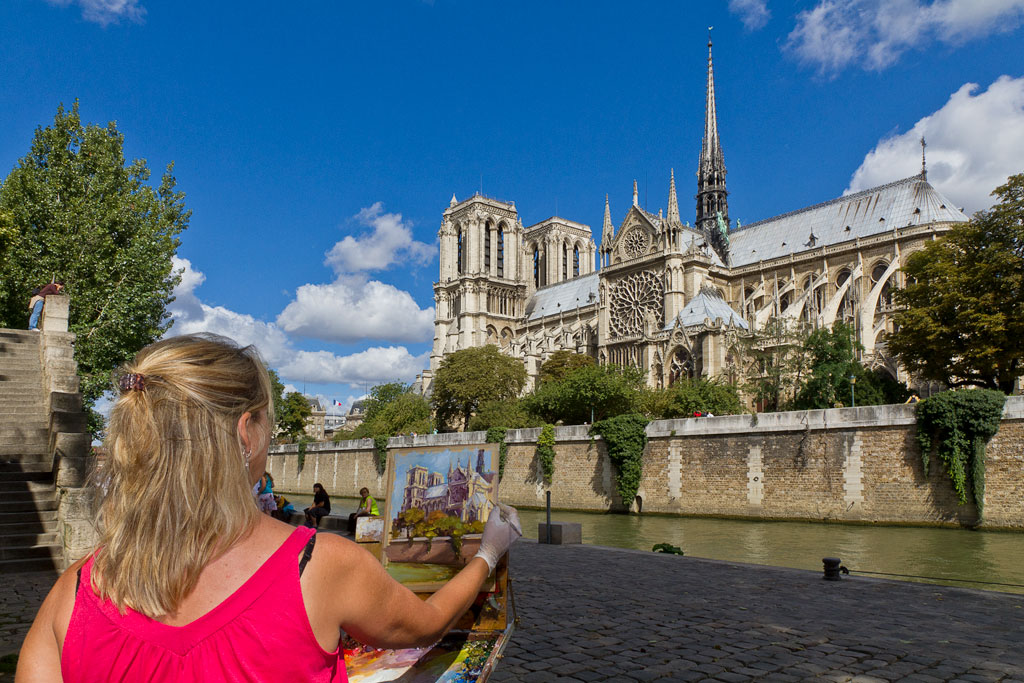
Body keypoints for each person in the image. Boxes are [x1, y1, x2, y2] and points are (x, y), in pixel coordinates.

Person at [16, 333, 522, 682]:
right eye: (268, 424)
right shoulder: (319, 565)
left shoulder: (75, 589)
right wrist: (489, 552)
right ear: (244, 432)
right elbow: (429, 622)